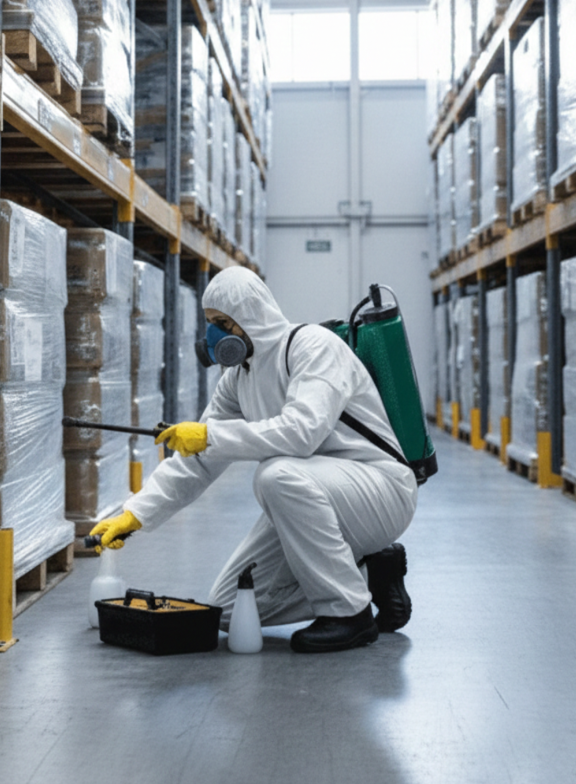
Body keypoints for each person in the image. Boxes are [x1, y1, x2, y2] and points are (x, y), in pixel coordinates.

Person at [90, 268, 418, 653]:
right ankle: (368, 573)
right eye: (210, 323)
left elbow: (301, 432)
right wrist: (135, 514)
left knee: (275, 475)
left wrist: (210, 435)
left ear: (252, 316)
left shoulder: (312, 346)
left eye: (223, 323)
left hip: (380, 489)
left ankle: (349, 614)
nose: (214, 335)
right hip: (311, 497)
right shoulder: (237, 379)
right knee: (230, 607)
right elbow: (199, 460)